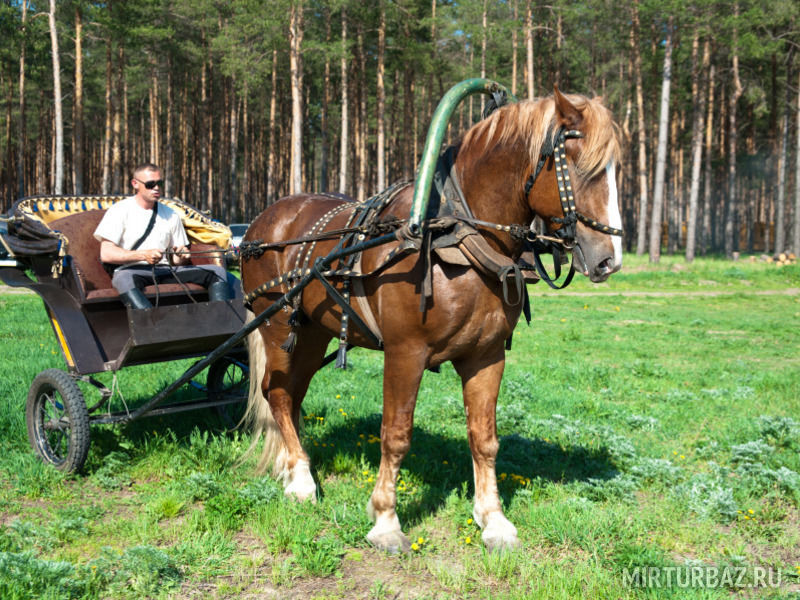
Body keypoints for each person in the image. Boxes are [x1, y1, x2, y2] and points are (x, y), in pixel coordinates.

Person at [93, 162, 232, 309]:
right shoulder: (119, 211)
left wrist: (182, 255)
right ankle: (151, 325)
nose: (156, 188)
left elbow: (178, 262)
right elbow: (107, 254)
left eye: (159, 183)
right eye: (150, 184)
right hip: (132, 270)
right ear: (135, 184)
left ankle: (222, 321)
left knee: (217, 272)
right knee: (123, 279)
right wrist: (143, 255)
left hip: (165, 270)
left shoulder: (171, 214)